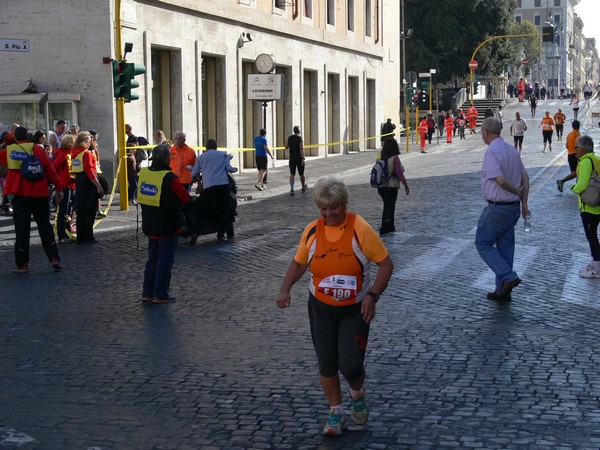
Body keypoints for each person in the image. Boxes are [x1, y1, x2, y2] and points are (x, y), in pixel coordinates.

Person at [275, 176, 394, 436]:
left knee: (351, 365)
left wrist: (372, 296)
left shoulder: (359, 228)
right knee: (327, 364)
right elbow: (299, 264)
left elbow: (386, 264)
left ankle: (357, 393)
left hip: (355, 308)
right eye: (323, 209)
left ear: (344, 204)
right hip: (321, 307)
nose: (328, 213)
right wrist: (285, 289)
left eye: (334, 208)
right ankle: (336, 413)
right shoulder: (312, 231)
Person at [476, 117, 530, 301]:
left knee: (483, 243)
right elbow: (525, 177)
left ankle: (508, 277)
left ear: (486, 132)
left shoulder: (492, 151)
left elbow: (499, 180)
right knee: (505, 248)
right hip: (513, 208)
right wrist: (524, 202)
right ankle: (502, 291)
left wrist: (516, 191)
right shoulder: (511, 150)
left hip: (498, 207)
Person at [0, 126, 64, 272]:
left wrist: (6, 142)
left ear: (15, 137)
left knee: (22, 230)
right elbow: (49, 170)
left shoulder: (10, 151)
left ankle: (23, 265)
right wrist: (59, 188)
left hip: (20, 194)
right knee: (45, 227)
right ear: (28, 137)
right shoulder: (38, 149)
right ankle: (54, 258)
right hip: (40, 193)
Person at [138, 144, 191, 303]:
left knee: (152, 258)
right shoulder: (170, 178)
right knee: (165, 259)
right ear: (167, 159)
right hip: (167, 225)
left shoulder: (144, 173)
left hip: (150, 223)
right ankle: (160, 293)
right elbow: (185, 198)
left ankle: (147, 292)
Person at [191, 138, 238, 242]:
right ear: (216, 146)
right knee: (222, 209)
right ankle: (220, 235)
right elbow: (229, 168)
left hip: (208, 186)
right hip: (222, 185)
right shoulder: (223, 155)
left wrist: (194, 177)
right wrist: (235, 169)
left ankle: (195, 234)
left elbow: (194, 173)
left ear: (206, 147)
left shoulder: (201, 157)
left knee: (203, 210)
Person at [570, 135, 600, 277]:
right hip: (597, 204)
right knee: (592, 235)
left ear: (581, 149)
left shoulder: (585, 162)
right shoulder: (596, 159)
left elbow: (581, 185)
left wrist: (572, 187)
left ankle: (597, 268)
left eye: (576, 147)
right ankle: (593, 263)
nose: (575, 150)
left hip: (589, 206)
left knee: (592, 236)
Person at [71, 131, 104, 244]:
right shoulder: (87, 154)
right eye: (89, 141)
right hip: (89, 183)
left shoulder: (75, 154)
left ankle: (80, 237)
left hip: (79, 182)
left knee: (81, 211)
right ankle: (89, 236)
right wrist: (98, 186)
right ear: (85, 142)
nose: (90, 143)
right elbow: (90, 171)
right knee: (90, 210)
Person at [377, 139, 409, 236]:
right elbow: (399, 173)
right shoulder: (395, 158)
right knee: (389, 206)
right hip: (391, 186)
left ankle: (390, 226)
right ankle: (385, 228)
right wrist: (405, 185)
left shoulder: (380, 156)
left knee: (387, 205)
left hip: (381, 186)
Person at [52, 133, 76, 243]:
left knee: (68, 210)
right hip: (64, 185)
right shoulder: (62, 154)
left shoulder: (70, 154)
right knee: (63, 210)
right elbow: (53, 167)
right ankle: (62, 235)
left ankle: (67, 232)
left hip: (70, 185)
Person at [556, 120, 581, 193]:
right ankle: (578, 186)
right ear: (578, 126)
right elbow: (578, 146)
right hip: (576, 155)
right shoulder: (577, 134)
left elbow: (566, 146)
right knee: (578, 172)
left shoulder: (569, 134)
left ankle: (562, 181)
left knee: (574, 173)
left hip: (570, 154)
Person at [285, 126, 307, 195]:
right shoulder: (300, 138)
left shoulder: (290, 138)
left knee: (292, 174)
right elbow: (301, 148)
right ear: (299, 131)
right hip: (299, 158)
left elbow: (286, 147)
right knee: (301, 174)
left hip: (292, 158)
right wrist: (303, 158)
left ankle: (292, 188)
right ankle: (303, 187)